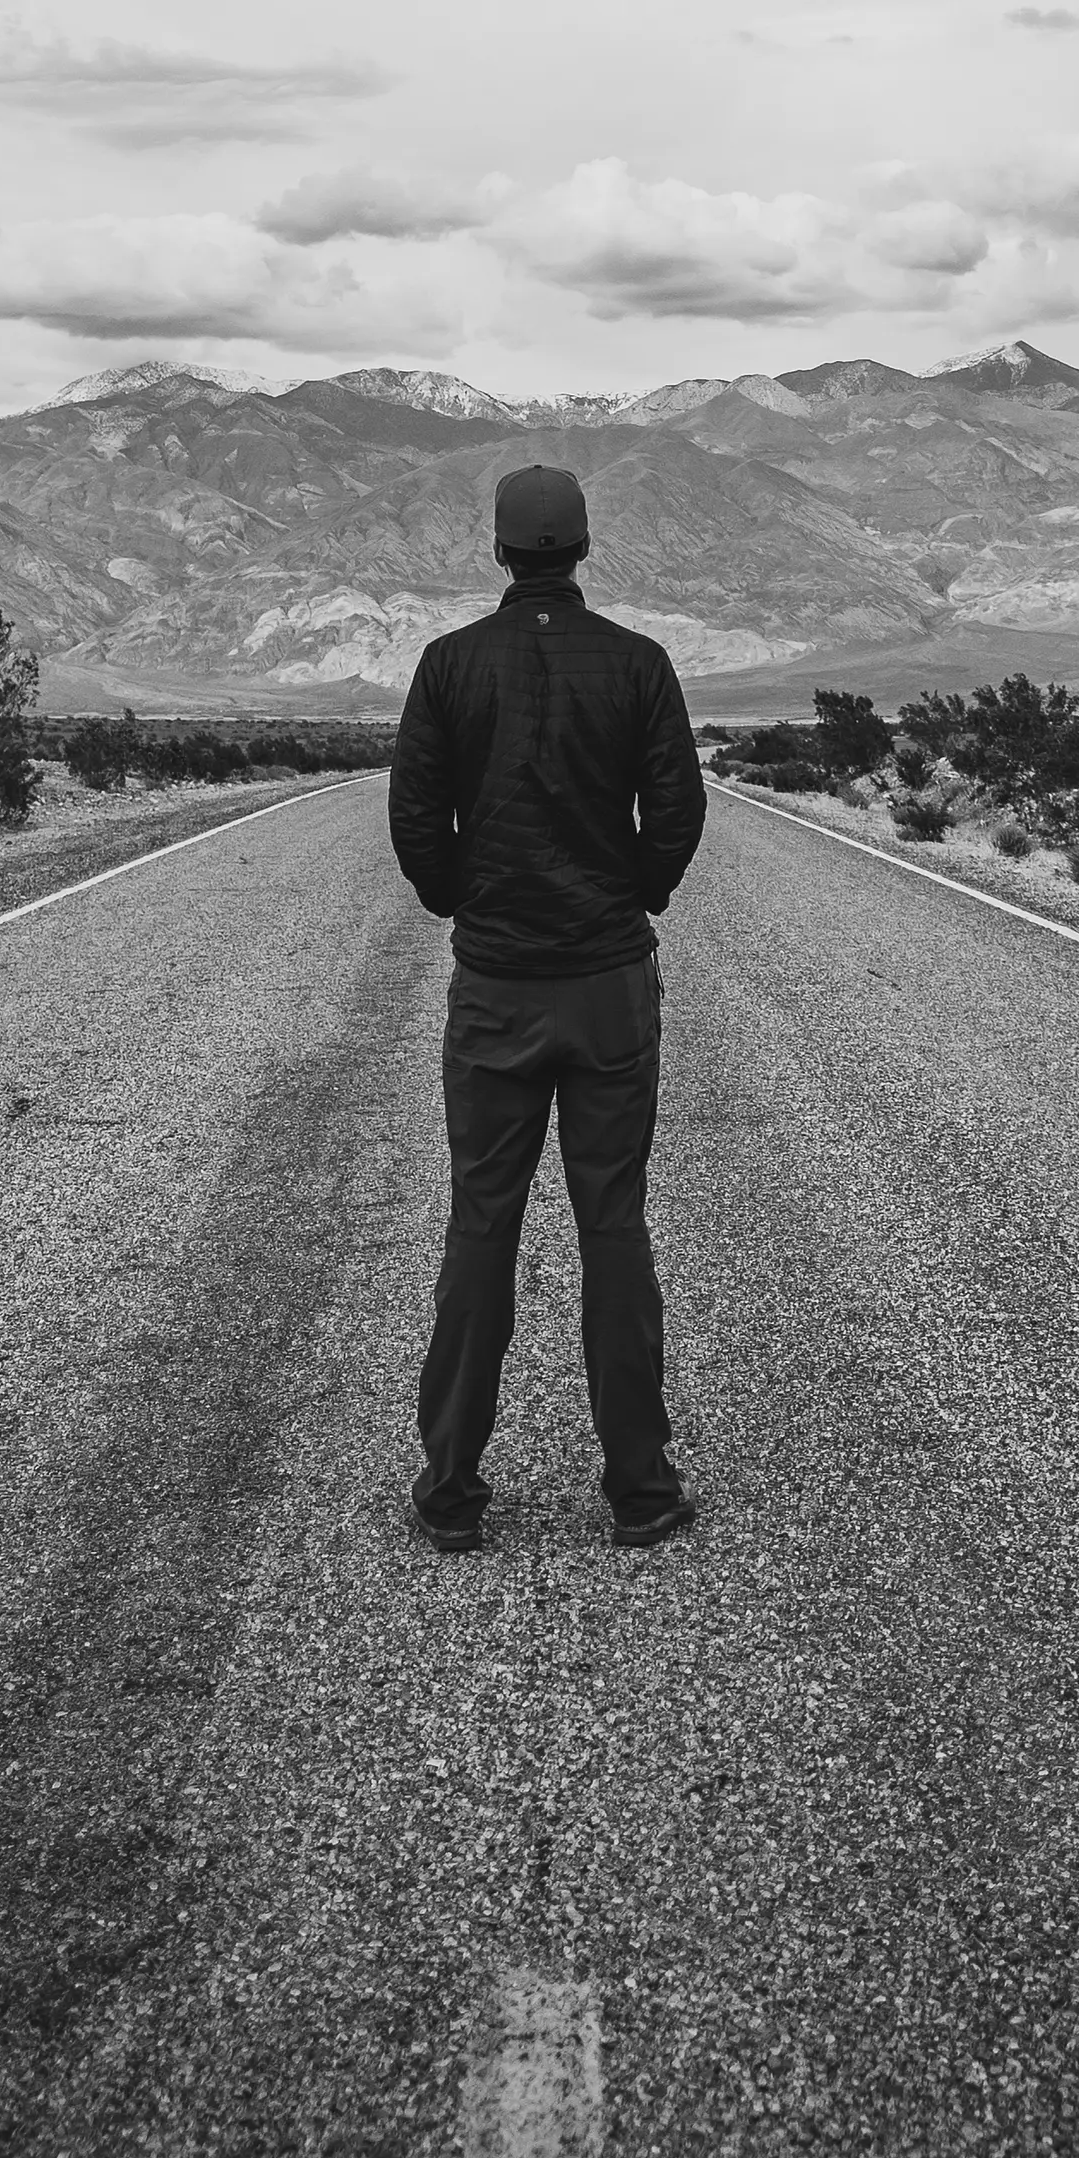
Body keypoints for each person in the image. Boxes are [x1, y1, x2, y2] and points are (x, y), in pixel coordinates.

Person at [388, 457, 709, 1553]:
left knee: (482, 1223)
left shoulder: (447, 666)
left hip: (496, 990)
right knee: (612, 1223)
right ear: (581, 549)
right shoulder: (638, 664)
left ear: (499, 550)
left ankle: (450, 1491)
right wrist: (631, 896)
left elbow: (416, 818)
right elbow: (676, 811)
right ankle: (641, 1491)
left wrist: (466, 902)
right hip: (609, 986)